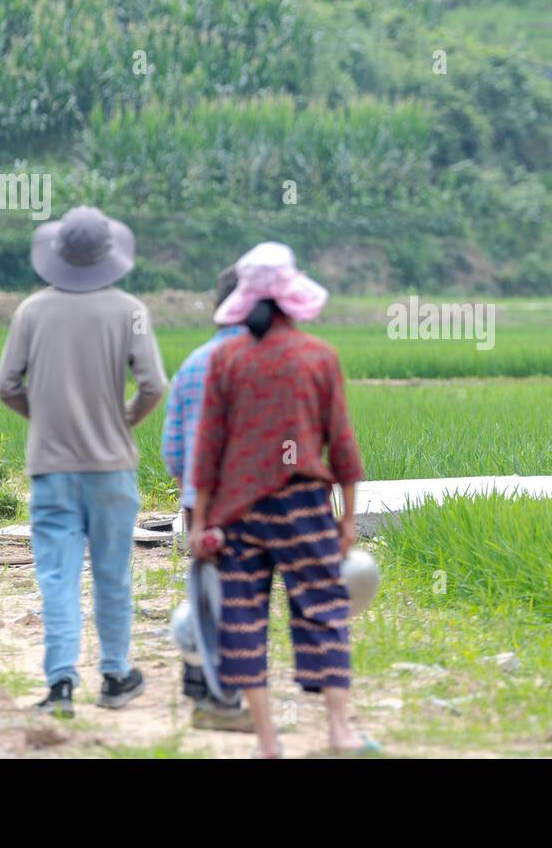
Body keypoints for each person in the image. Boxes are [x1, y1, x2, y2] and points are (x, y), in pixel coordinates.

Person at [189, 242, 375, 758]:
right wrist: (349, 517)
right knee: (323, 611)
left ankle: (269, 743)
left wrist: (200, 520)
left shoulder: (226, 359)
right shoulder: (319, 357)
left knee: (244, 621)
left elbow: (208, 446)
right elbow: (342, 442)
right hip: (304, 508)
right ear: (293, 296)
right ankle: (339, 731)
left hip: (239, 515)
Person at [0, 206, 167, 717]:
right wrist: (123, 420)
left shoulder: (31, 311)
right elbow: (154, 385)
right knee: (113, 574)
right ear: (108, 255)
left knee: (58, 577)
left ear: (58, 255)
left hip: (52, 470)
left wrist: (44, 420)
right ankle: (115, 676)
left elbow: (6, 386)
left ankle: (61, 684)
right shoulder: (130, 309)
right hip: (112, 467)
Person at [160, 264, 251, 731]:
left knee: (208, 595)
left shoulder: (194, 362)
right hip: (250, 505)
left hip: (200, 506)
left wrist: (190, 501)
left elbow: (173, 452)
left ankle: (200, 683)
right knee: (240, 604)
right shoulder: (260, 362)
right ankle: (223, 703)